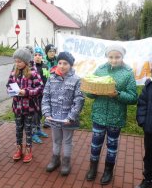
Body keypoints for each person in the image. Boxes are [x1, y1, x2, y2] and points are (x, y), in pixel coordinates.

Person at [85, 44, 137, 185]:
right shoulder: (100, 69)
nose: (114, 60)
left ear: (122, 57)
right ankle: (93, 167)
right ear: (107, 57)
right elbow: (90, 92)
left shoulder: (127, 73)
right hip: (99, 115)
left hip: (116, 116)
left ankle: (108, 170)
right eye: (111, 57)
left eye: (117, 57)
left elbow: (133, 97)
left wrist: (117, 94)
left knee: (112, 145)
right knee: (95, 144)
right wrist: (92, 91)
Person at [42, 51, 84, 176]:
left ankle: (66, 161)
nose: (61, 65)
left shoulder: (76, 80)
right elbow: (46, 96)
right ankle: (55, 159)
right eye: (59, 63)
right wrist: (46, 112)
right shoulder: (51, 78)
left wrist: (71, 117)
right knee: (56, 140)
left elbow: (79, 100)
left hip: (68, 119)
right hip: (54, 117)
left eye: (65, 63)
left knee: (67, 141)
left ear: (70, 65)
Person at [7, 48, 43, 163]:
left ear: (26, 61)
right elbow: (8, 86)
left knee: (28, 130)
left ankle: (28, 150)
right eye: (15, 61)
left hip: (29, 108)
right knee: (18, 129)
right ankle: (19, 149)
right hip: (17, 107)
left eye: (19, 61)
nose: (17, 64)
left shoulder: (33, 72)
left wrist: (26, 92)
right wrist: (11, 91)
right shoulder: (14, 72)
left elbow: (40, 88)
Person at [136, 78, 152, 188]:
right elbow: (142, 104)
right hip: (150, 129)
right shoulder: (149, 87)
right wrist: (143, 122)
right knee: (149, 156)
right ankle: (148, 179)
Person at [32, 46, 49, 144]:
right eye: (35, 55)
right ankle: (33, 133)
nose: (37, 57)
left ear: (42, 56)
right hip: (33, 96)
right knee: (33, 115)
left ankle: (38, 129)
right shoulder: (31, 67)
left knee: (39, 113)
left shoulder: (45, 67)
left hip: (43, 95)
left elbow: (47, 80)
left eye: (39, 55)